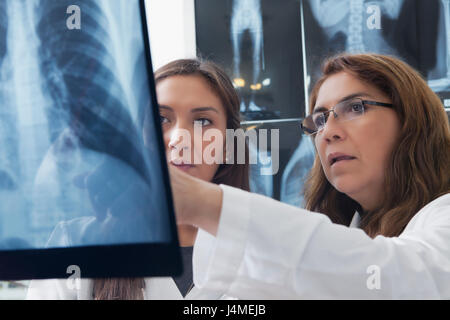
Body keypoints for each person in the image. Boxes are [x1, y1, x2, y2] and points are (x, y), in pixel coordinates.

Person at [170, 53, 450, 299]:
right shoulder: (347, 232)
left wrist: (207, 204)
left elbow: (403, 281)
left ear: (413, 120)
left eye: (355, 107)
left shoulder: (442, 221)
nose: (327, 132)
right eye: (319, 121)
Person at [26, 58, 249, 300]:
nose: (179, 138)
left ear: (228, 145)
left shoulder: (269, 256)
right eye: (161, 119)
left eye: (203, 121)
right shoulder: (73, 245)